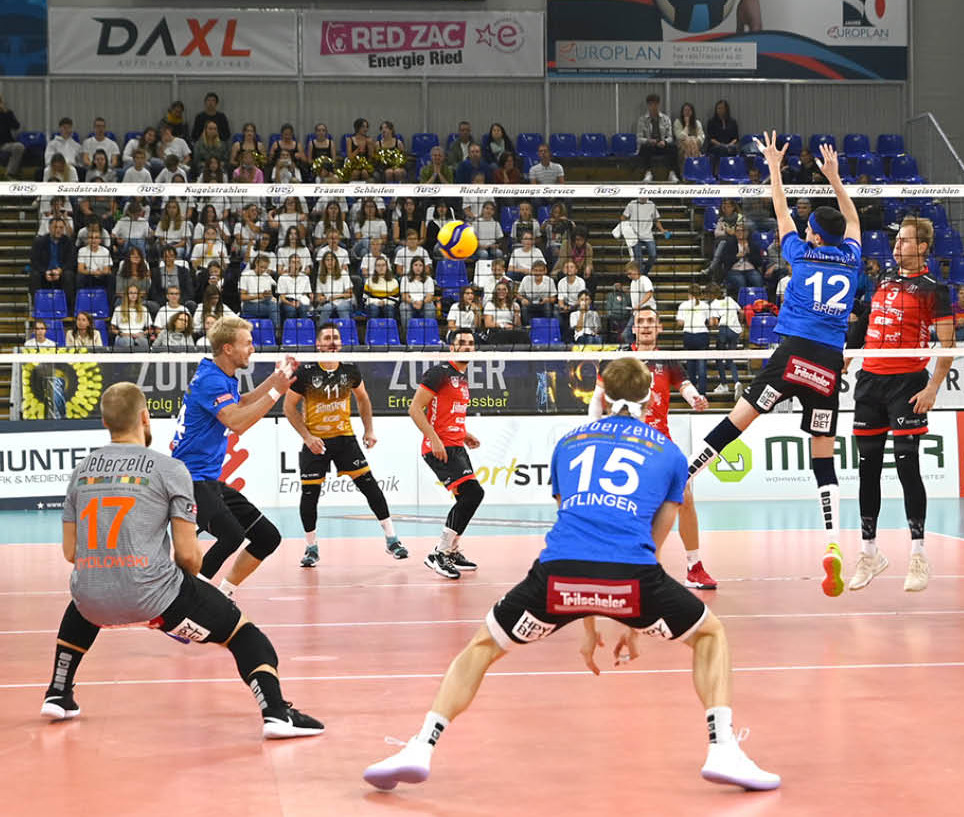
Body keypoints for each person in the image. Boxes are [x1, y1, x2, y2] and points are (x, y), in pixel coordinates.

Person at [363, 355, 777, 793]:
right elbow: (655, 540)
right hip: (634, 577)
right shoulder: (671, 455)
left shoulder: (570, 442)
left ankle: (420, 746)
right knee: (710, 636)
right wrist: (632, 619)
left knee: (481, 648)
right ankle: (723, 747)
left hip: (558, 577)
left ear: (601, 393)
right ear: (651, 397)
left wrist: (587, 624)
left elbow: (574, 529)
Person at [43, 382, 323, 737]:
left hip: (95, 599)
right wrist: (192, 589)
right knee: (244, 634)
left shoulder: (80, 472)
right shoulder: (169, 468)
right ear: (145, 418)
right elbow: (188, 556)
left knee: (85, 597)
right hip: (157, 598)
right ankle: (277, 713)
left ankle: (58, 691)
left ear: (104, 421)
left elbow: (71, 554)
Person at [687, 135, 861, 596]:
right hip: (828, 364)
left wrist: (774, 166)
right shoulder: (852, 258)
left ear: (815, 236)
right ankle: (831, 541)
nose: (803, 231)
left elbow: (780, 207)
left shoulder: (802, 254)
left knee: (739, 419)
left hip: (792, 356)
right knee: (823, 453)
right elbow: (854, 220)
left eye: (809, 229)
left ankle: (684, 476)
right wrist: (835, 179)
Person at [848, 217, 957, 593]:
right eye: (896, 240)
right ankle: (869, 552)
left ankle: (918, 554)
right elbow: (865, 322)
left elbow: (948, 346)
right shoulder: (883, 280)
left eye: (905, 241)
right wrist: (849, 354)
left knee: (908, 467)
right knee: (867, 470)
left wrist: (933, 389)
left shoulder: (933, 289)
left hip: (907, 383)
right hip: (870, 381)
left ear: (923, 247)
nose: (897, 247)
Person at [169, 317, 297, 596]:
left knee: (267, 537)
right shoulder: (211, 381)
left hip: (208, 480)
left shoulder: (221, 375)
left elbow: (241, 403)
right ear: (228, 348)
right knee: (232, 536)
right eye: (247, 343)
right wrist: (276, 392)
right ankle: (185, 601)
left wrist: (275, 381)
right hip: (188, 480)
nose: (253, 349)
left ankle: (225, 592)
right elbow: (236, 422)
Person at [594, 308, 717, 588]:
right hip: (625, 438)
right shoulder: (619, 358)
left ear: (659, 328)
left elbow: (685, 386)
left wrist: (696, 399)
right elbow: (598, 397)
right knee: (617, 502)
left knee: (685, 496)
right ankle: (613, 563)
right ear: (634, 329)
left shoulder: (667, 359)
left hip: (660, 442)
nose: (647, 326)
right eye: (641, 322)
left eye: (651, 322)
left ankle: (694, 566)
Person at [284, 322, 408, 568]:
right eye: (328, 338)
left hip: (344, 439)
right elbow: (289, 407)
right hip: (316, 442)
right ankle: (311, 548)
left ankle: (392, 539)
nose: (333, 342)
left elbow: (363, 398)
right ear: (318, 344)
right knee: (310, 495)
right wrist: (308, 438)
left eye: (336, 338)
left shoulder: (350, 368)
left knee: (371, 487)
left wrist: (369, 429)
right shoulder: (306, 371)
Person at [409, 330, 487, 580]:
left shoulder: (462, 378)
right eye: (461, 343)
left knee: (468, 497)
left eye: (471, 344)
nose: (467, 347)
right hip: (439, 448)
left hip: (456, 445)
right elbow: (415, 409)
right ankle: (439, 553)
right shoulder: (439, 373)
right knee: (474, 493)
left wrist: (465, 434)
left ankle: (450, 551)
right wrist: (433, 438)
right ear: (452, 347)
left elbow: (447, 413)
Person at [636, 93, 677, 182]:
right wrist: (648, 140)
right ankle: (648, 172)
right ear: (648, 106)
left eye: (655, 104)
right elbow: (639, 138)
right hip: (650, 146)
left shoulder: (666, 119)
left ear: (659, 105)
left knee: (673, 147)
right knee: (645, 147)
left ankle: (672, 173)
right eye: (651, 104)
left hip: (662, 145)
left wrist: (665, 142)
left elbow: (670, 137)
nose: (653, 107)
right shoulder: (642, 120)